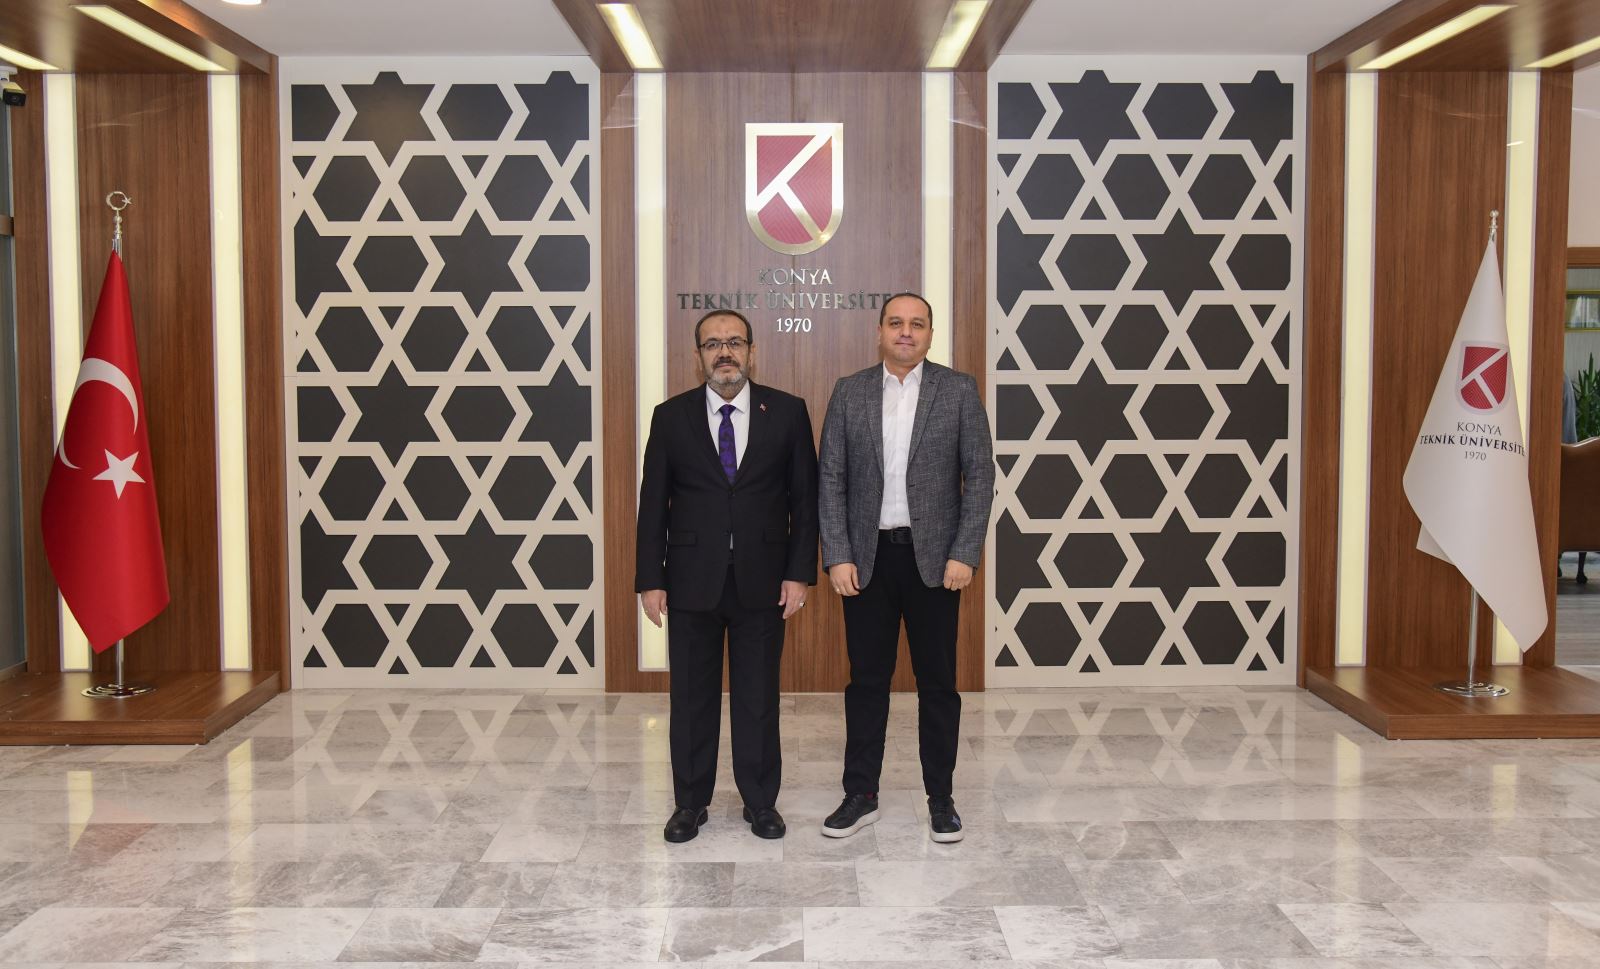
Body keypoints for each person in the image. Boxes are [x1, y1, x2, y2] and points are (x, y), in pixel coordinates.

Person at [816, 292, 994, 843]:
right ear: (880, 331)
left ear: (930, 334)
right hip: (866, 560)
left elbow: (980, 476)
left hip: (936, 562)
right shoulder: (849, 392)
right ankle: (860, 794)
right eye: (896, 322)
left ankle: (941, 798)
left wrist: (965, 552)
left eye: (917, 324)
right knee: (866, 682)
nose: (906, 332)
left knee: (938, 683)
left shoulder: (958, 390)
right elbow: (831, 478)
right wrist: (837, 554)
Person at [636, 309, 819, 843]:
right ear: (698, 356)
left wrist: (799, 573)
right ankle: (690, 803)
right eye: (713, 344)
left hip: (764, 580)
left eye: (734, 342)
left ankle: (760, 802)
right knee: (691, 699)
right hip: (690, 580)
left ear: (751, 351)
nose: (725, 352)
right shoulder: (670, 417)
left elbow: (805, 502)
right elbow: (653, 505)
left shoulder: (787, 412)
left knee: (757, 697)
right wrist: (650, 579)